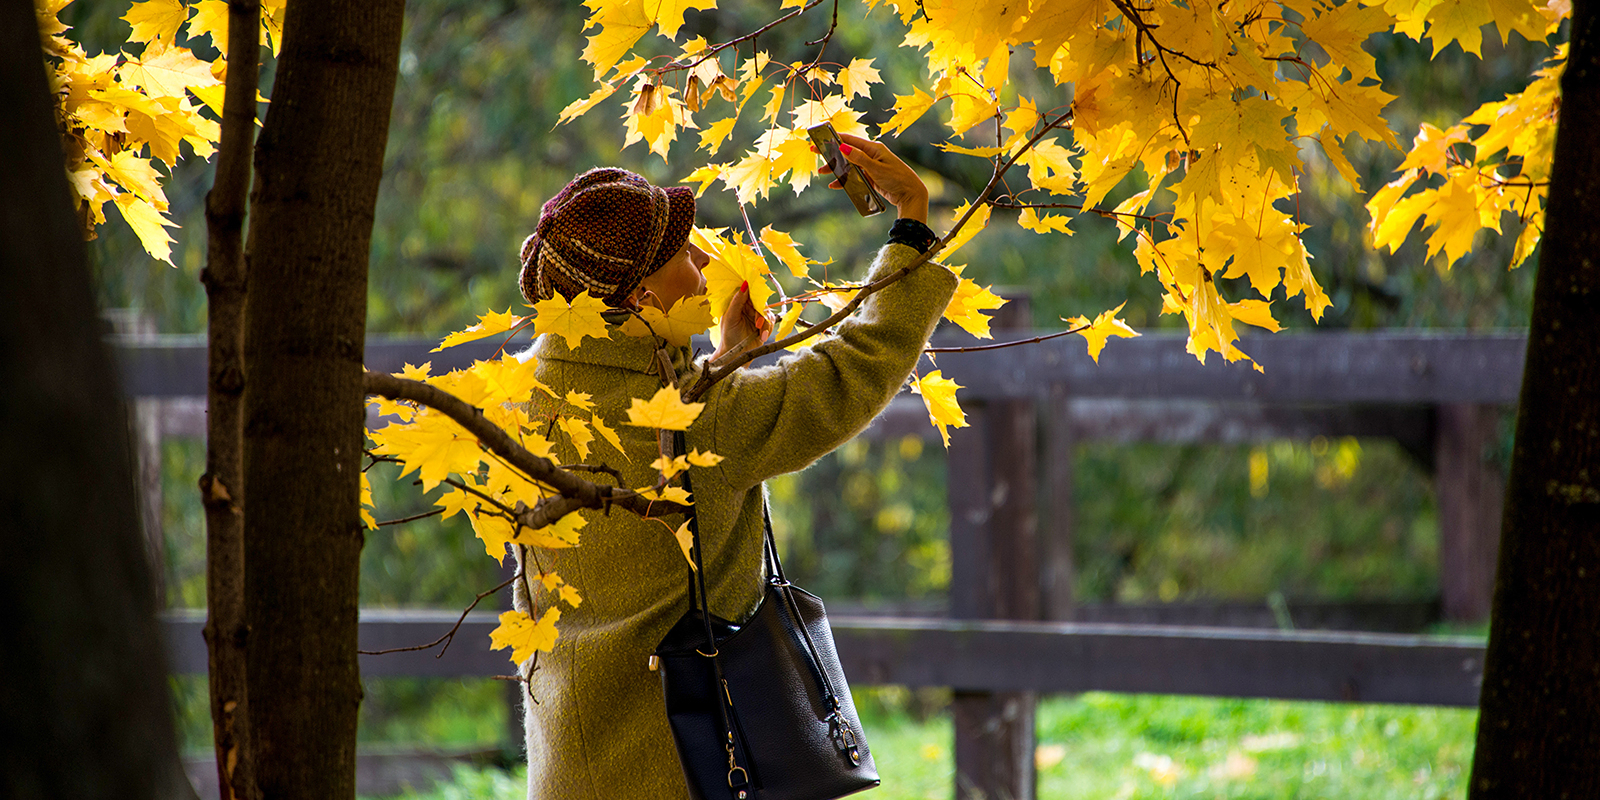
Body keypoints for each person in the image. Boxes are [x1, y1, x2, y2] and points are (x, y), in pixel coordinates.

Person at [511, 134, 956, 799]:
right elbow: (848, 371)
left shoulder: (513, 400)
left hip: (574, 760)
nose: (701, 259)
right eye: (678, 255)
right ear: (638, 299)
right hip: (690, 766)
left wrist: (723, 362)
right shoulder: (703, 419)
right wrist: (912, 228)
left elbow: (642, 437)